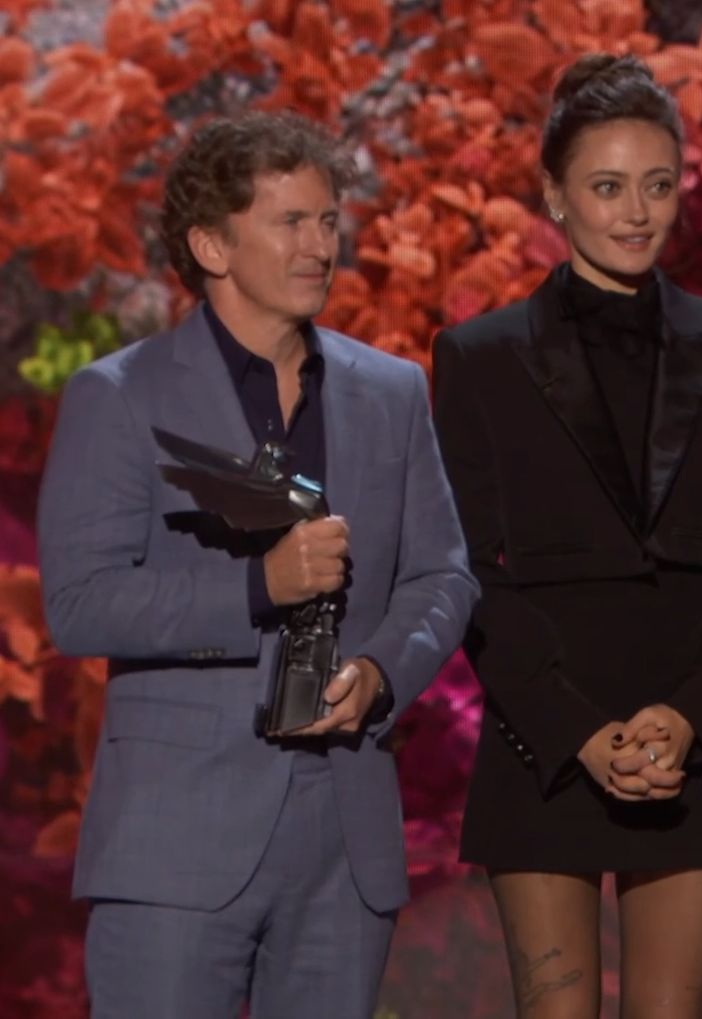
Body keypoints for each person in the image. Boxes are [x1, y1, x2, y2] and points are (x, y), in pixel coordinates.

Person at [37, 110, 478, 1019]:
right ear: (211, 245)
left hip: (343, 834)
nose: (320, 245)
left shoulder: (392, 391)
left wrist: (382, 673)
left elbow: (443, 575)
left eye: (327, 221)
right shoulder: (119, 395)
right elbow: (81, 603)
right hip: (175, 840)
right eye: (290, 222)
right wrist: (256, 587)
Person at [432, 54, 702, 1019]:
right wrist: (576, 732)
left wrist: (692, 716)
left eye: (657, 185)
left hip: (688, 735)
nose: (636, 213)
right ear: (555, 195)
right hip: (542, 732)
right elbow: (468, 569)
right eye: (606, 187)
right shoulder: (479, 357)